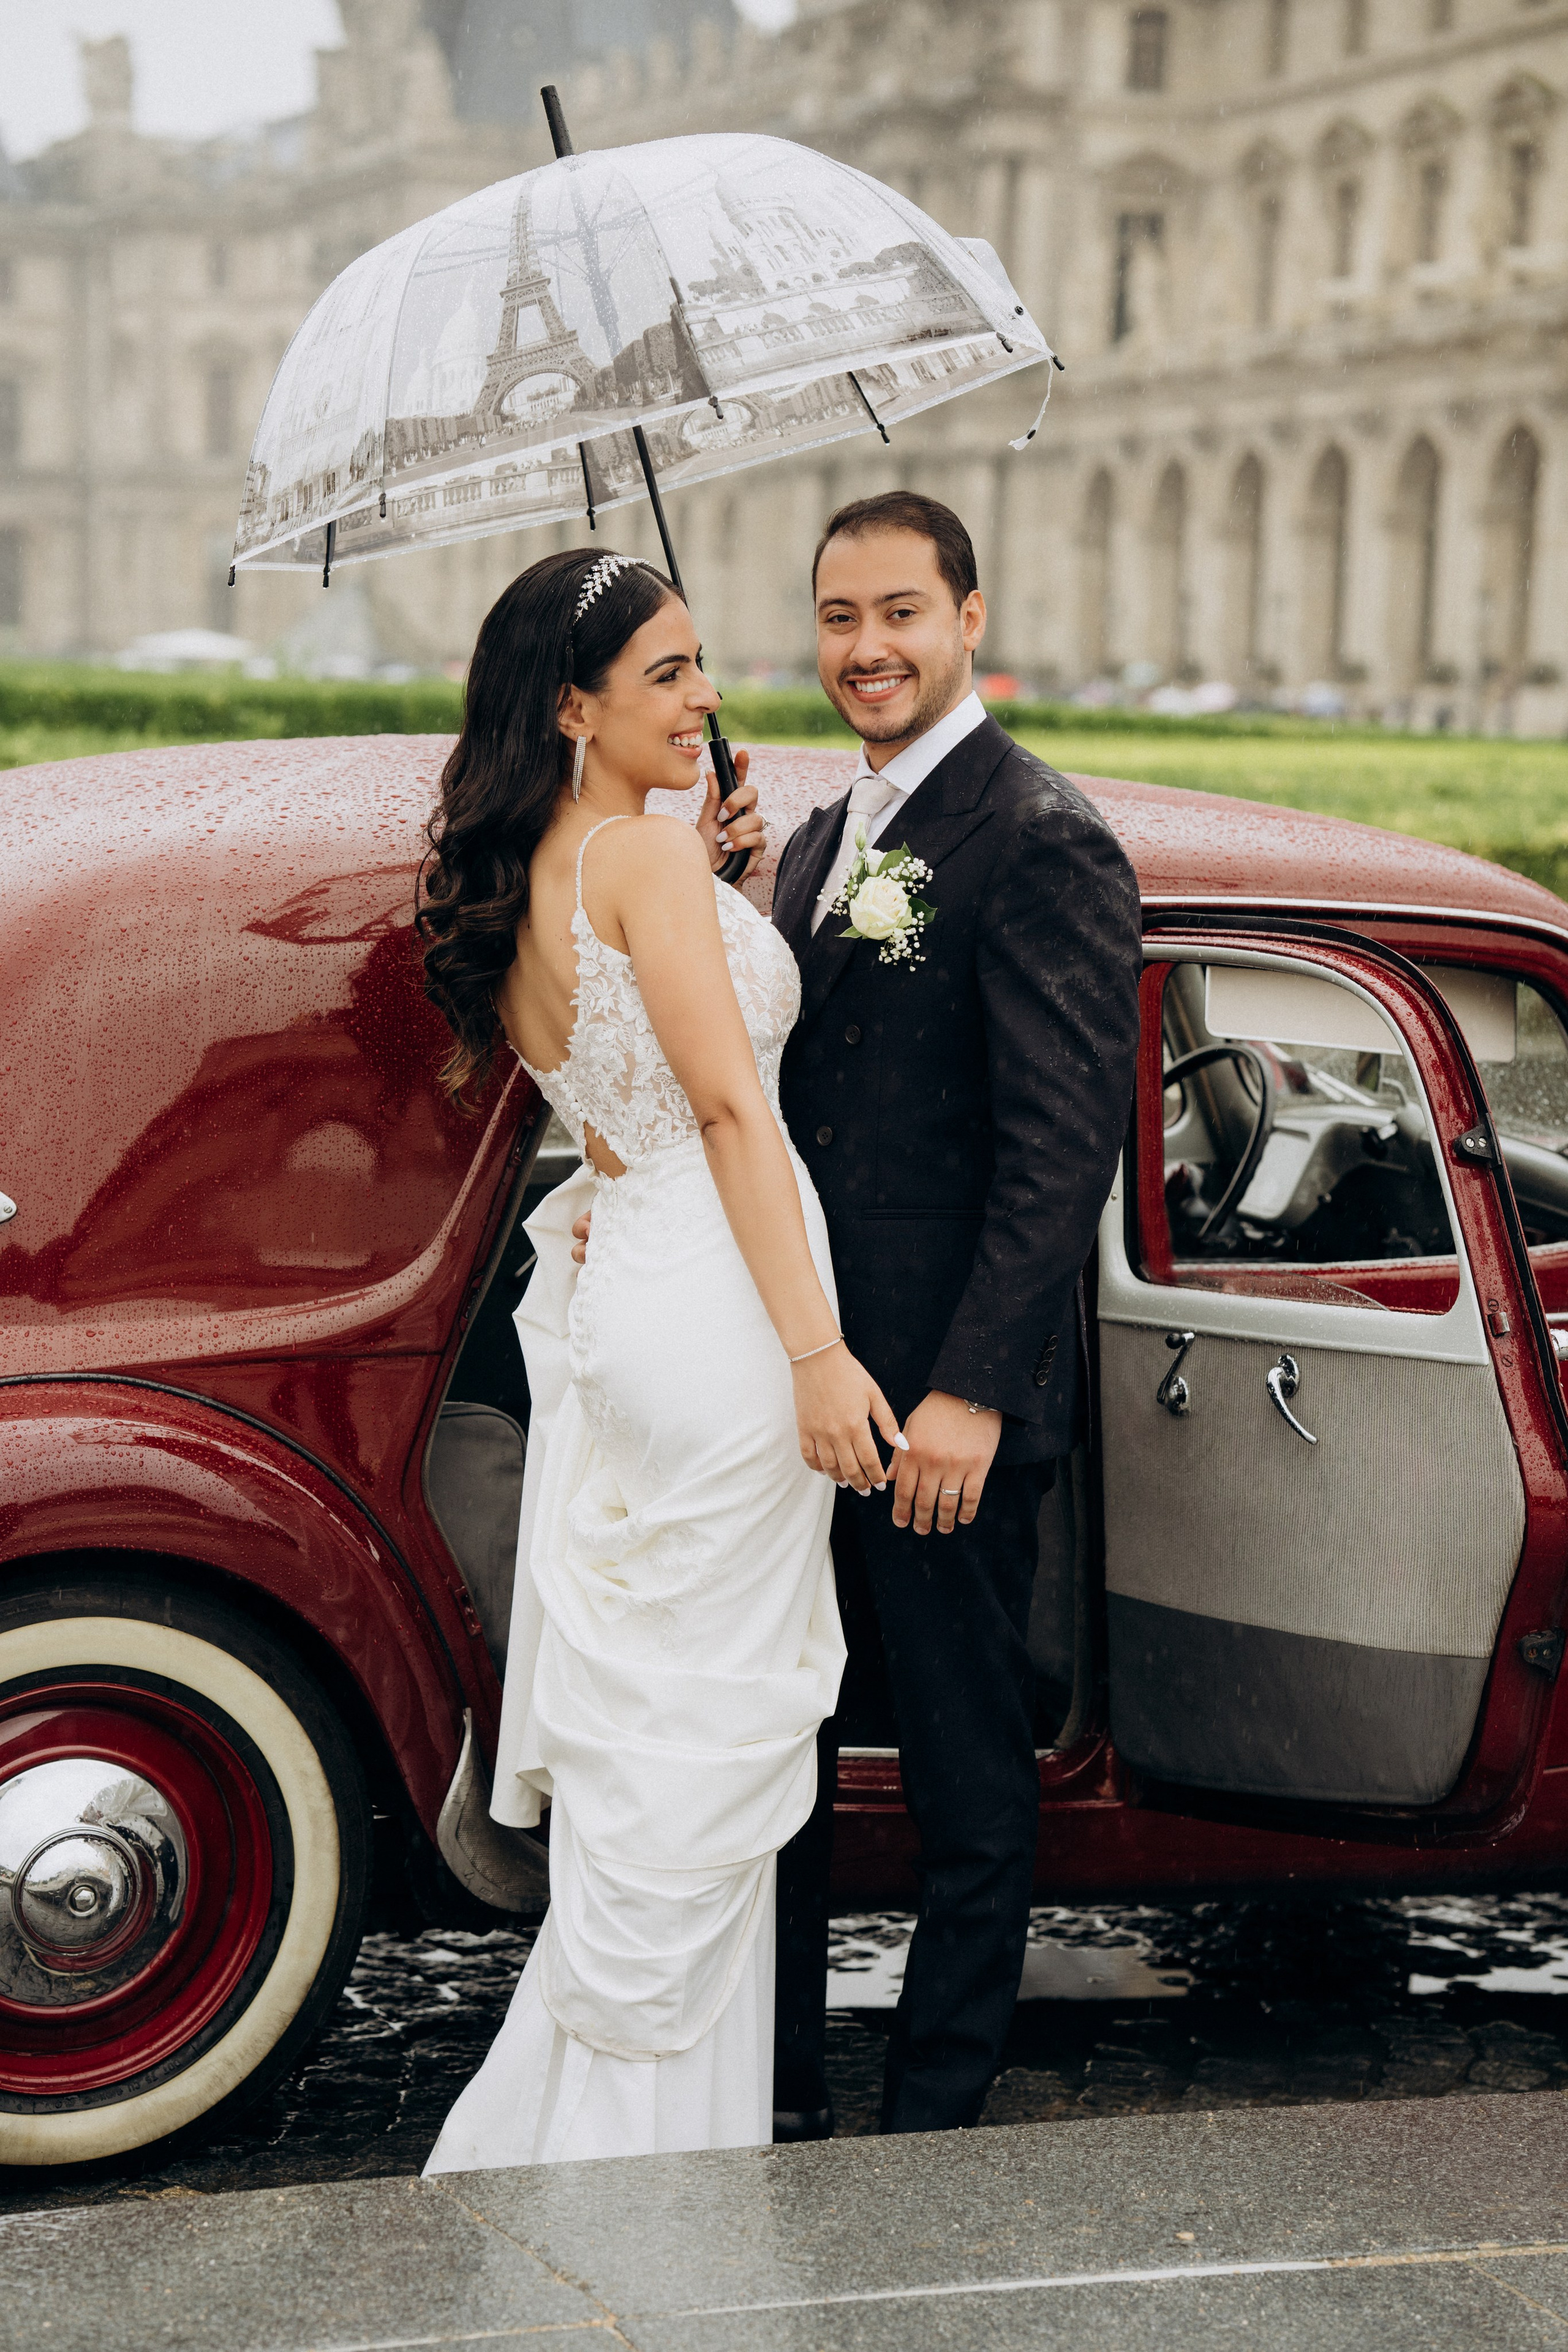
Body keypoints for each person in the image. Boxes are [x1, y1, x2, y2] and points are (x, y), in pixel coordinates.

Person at [415, 547, 902, 2169]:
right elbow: (722, 1105)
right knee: (711, 1713)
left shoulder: (573, 859)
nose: (708, 697)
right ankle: (652, 2153)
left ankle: (629, 2119)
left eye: (703, 665)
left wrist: (730, 896)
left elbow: (648, 1053)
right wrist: (821, 1353)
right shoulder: (633, 858)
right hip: (721, 1312)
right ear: (576, 706)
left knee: (667, 1714)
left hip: (636, 1290)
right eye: (667, 674)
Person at [769, 491, 1142, 2139]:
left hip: (940, 1410)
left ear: (971, 619)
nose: (868, 648)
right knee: (779, 1746)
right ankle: (772, 2084)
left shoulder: (1042, 835)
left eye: (900, 613)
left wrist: (975, 1395)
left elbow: (1066, 1149)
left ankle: (934, 2108)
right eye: (841, 617)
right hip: (806, 1398)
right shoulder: (811, 837)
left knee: (964, 1770)